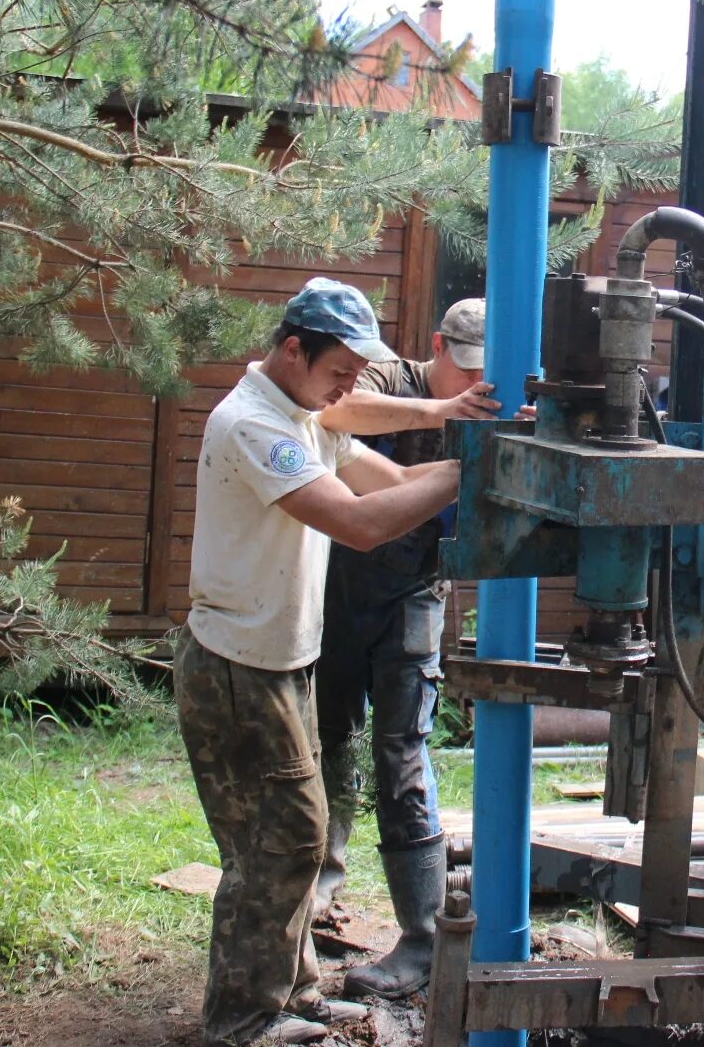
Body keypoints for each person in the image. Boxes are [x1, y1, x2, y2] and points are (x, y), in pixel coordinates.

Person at [175, 277, 462, 1047]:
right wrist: (469, 473)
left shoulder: (303, 417)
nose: (348, 387)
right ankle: (241, 1018)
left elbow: (398, 480)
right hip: (239, 667)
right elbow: (362, 523)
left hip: (282, 659)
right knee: (280, 841)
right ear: (294, 349)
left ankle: (291, 987)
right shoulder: (252, 426)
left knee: (293, 837)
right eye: (340, 369)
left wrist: (469, 455)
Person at [309, 298, 500, 999]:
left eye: (481, 370)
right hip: (339, 582)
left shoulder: (490, 399)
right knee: (328, 735)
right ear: (435, 346)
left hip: (416, 587)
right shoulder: (391, 376)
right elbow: (336, 412)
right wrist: (436, 413)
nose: (469, 380)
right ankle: (319, 892)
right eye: (462, 365)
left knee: (401, 749)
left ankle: (422, 937)